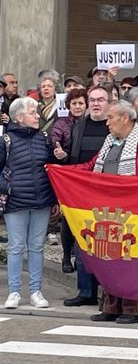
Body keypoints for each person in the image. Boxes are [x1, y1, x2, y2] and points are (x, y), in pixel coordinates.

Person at [73, 100, 138, 324]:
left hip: (133, 212)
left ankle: (132, 308)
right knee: (109, 257)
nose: (107, 122)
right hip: (107, 209)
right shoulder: (110, 141)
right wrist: (62, 171)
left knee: (129, 259)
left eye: (111, 118)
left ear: (125, 118)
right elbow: (90, 167)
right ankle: (111, 305)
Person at [2, 97, 64, 309]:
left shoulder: (44, 138)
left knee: (37, 247)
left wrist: (59, 158)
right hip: (15, 201)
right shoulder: (5, 140)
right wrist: (8, 188)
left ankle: (36, 291)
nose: (38, 116)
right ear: (19, 117)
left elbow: (50, 167)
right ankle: (14, 292)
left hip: (41, 200)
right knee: (16, 247)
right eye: (33, 112)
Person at [62, 85, 115, 307]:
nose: (95, 104)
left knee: (107, 244)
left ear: (109, 103)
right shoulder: (79, 126)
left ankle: (110, 293)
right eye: (92, 100)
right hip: (82, 193)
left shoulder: (115, 127)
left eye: (100, 100)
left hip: (108, 193)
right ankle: (86, 291)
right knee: (83, 242)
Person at [50, 87, 88, 273]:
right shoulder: (62, 123)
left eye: (81, 103)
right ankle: (66, 256)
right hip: (68, 175)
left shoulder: (91, 123)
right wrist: (60, 153)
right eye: (74, 103)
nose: (78, 106)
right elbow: (54, 139)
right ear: (68, 106)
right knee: (68, 218)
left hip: (88, 175)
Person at [37, 69, 61, 134]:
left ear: (55, 89)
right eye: (43, 87)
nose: (46, 88)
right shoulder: (35, 106)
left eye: (50, 86)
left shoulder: (61, 106)